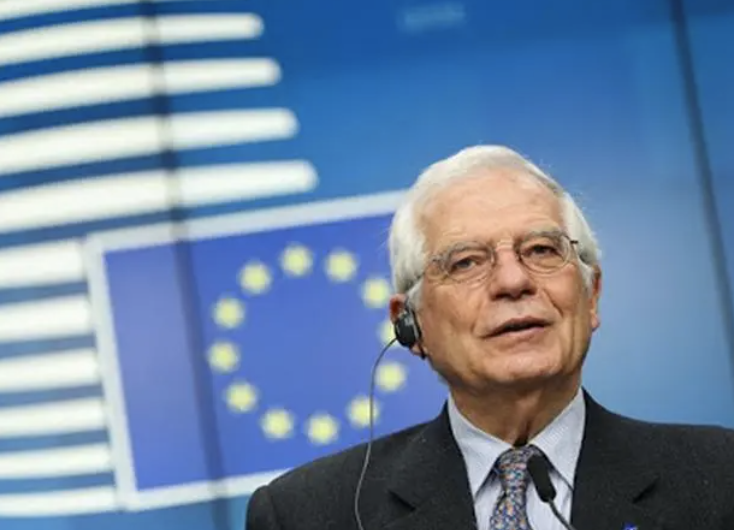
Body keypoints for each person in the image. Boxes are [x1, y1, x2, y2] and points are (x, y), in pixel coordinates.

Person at [245, 145, 734, 530]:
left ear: (592, 296)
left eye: (542, 250)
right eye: (466, 263)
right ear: (410, 324)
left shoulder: (719, 477)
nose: (513, 281)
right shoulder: (307, 515)